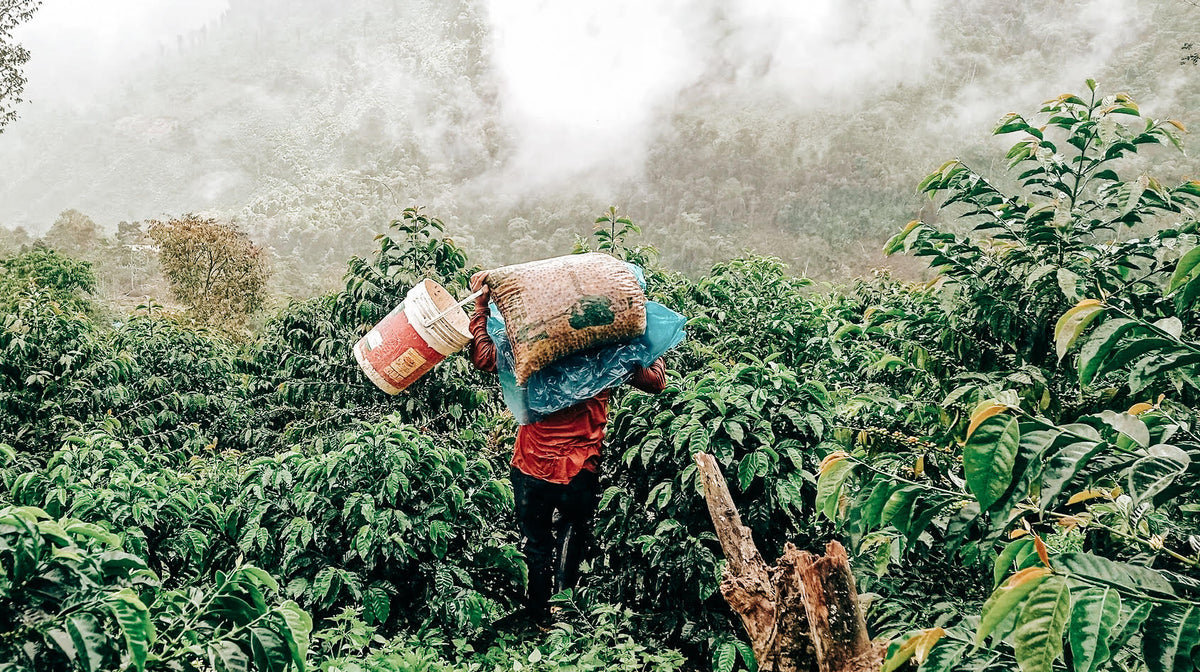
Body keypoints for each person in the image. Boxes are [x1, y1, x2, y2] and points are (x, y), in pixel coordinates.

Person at [467, 270, 666, 622]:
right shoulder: (606, 353)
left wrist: (481, 309)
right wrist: (647, 341)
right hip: (581, 466)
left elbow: (485, 357)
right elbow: (655, 381)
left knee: (536, 542)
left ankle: (537, 612)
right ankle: (563, 609)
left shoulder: (535, 346)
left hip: (532, 465)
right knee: (572, 539)